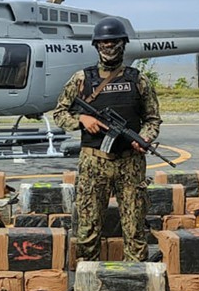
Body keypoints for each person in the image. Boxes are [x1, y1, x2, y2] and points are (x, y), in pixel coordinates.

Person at [52, 16, 162, 264]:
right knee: (88, 229)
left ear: (123, 44)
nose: (109, 47)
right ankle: (86, 281)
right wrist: (81, 119)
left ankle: (135, 281)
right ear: (97, 46)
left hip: (130, 162)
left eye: (114, 42)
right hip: (94, 162)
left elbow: (153, 119)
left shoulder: (138, 80)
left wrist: (144, 138)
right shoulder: (81, 79)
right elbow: (59, 112)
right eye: (104, 43)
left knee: (134, 229)